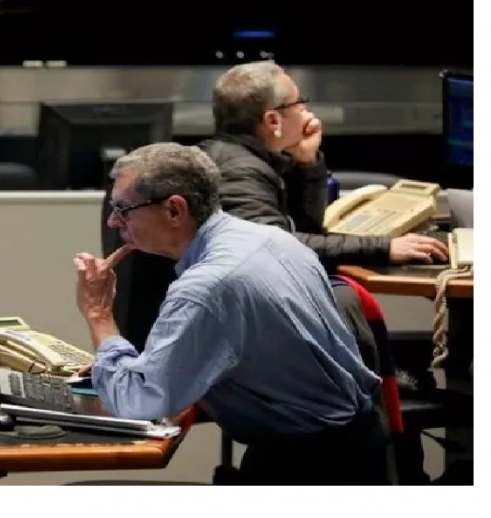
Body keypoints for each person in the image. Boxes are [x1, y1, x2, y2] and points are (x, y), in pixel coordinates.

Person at [74, 142, 391, 485]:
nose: (113, 221)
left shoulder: (208, 287)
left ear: (175, 210)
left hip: (306, 470)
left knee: (86, 493)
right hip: (355, 448)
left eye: (123, 209)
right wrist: (162, 367)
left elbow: (138, 402)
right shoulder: (273, 240)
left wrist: (99, 314)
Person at [198, 60, 448, 267]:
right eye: (299, 102)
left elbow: (306, 229)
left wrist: (307, 162)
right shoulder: (238, 172)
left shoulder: (247, 158)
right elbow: (276, 249)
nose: (306, 110)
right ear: (273, 120)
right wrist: (383, 248)